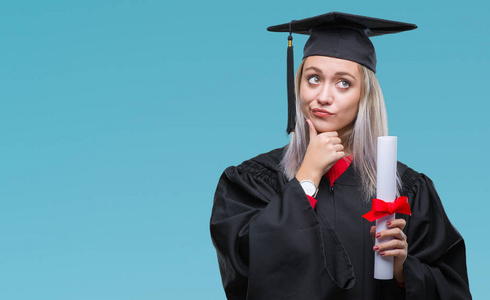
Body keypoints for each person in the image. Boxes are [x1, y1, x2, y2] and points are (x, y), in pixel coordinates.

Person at [210, 12, 471, 299]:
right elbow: (245, 270)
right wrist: (306, 179)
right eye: (313, 78)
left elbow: (452, 288)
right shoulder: (254, 181)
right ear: (298, 85)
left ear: (364, 96)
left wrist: (403, 271)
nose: (323, 96)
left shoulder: (407, 188)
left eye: (343, 83)